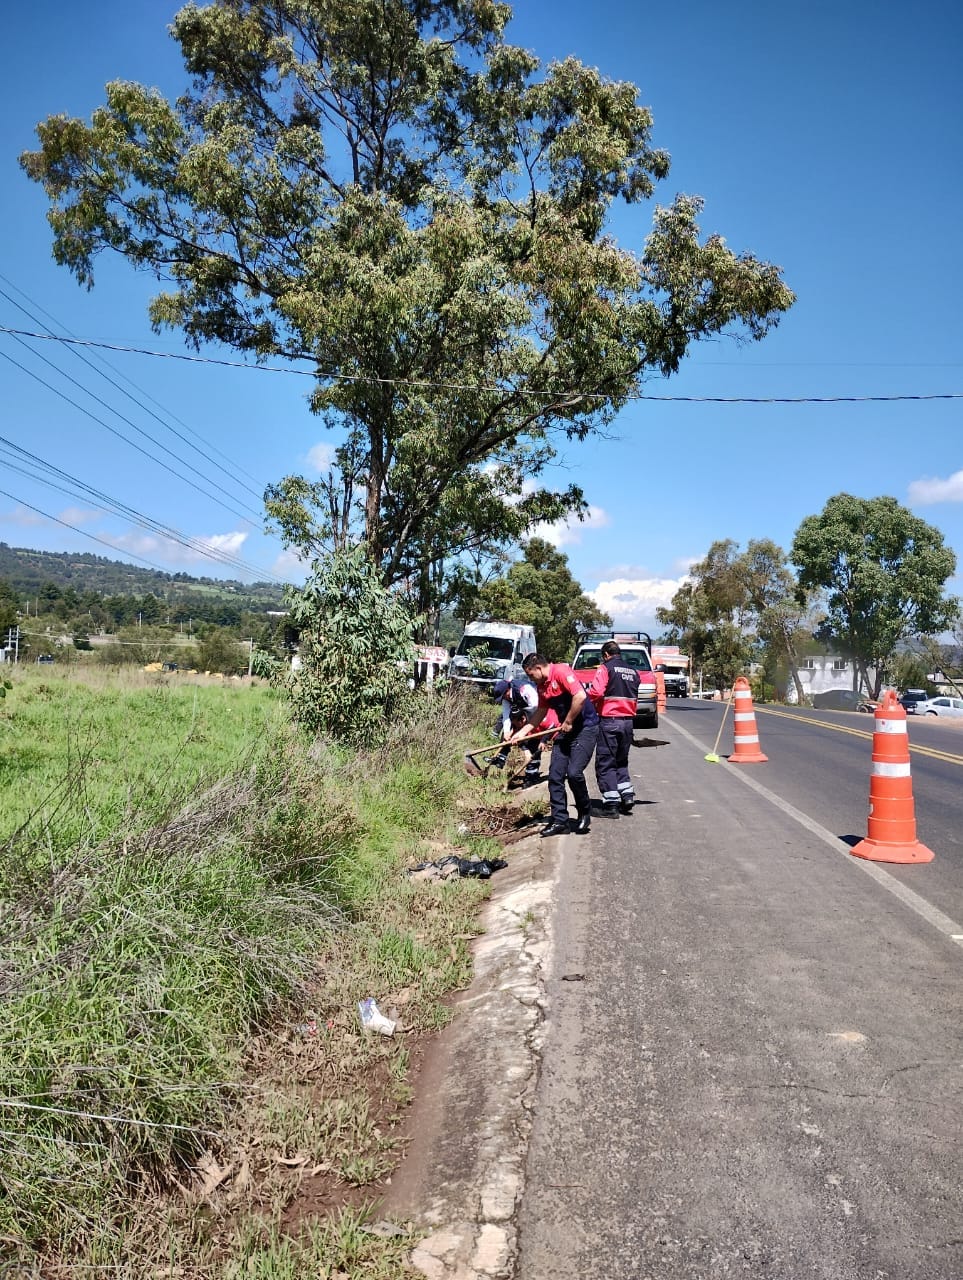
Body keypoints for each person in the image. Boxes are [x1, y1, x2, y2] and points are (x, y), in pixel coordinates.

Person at [511, 653, 599, 837]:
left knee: (574, 773)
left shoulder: (560, 672)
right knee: (555, 775)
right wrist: (521, 732)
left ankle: (584, 812)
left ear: (539, 668)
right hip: (565, 731)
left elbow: (580, 696)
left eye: (530, 674)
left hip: (585, 729)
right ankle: (560, 821)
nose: (530, 678)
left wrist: (568, 720)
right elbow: (540, 713)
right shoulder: (541, 686)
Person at [587, 640, 639, 818]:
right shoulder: (633, 671)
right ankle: (627, 795)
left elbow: (596, 692)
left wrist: (587, 702)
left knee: (606, 763)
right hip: (628, 722)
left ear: (606, 655)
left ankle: (611, 805)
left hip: (610, 721)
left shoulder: (605, 668)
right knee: (621, 761)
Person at [487, 676, 542, 785]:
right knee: (506, 736)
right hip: (520, 716)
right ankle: (500, 761)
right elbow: (506, 716)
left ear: (508, 690)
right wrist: (507, 732)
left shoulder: (524, 689)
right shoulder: (505, 698)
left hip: (536, 714)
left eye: (504, 696)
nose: (504, 699)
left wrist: (525, 729)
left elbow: (536, 708)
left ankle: (532, 775)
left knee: (532, 743)